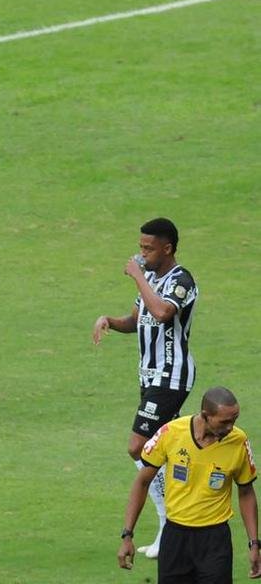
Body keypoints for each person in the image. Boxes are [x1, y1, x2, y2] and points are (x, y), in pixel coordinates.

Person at [93, 217, 199, 557]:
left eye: (147, 249)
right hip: (149, 376)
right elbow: (138, 319)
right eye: (140, 248)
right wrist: (110, 320)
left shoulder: (181, 280)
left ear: (167, 248)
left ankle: (170, 520)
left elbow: (163, 312)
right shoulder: (151, 278)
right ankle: (180, 518)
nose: (141, 255)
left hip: (171, 377)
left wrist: (138, 276)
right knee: (164, 448)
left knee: (139, 446)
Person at [117, 387, 260, 581]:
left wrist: (254, 544)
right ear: (204, 415)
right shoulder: (171, 433)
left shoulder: (239, 441)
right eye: (224, 421)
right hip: (175, 537)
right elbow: (142, 483)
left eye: (234, 420)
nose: (230, 427)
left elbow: (246, 492)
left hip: (215, 540)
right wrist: (127, 535)